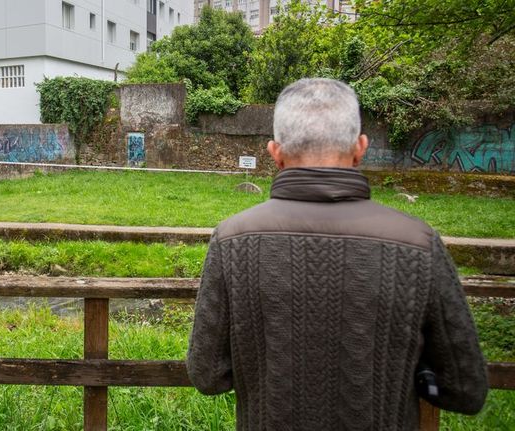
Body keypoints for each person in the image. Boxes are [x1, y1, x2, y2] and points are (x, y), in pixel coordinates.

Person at [186, 78, 488, 430]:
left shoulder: (232, 240)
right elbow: (466, 389)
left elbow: (207, 375)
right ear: (361, 148)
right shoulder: (418, 243)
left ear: (275, 152)